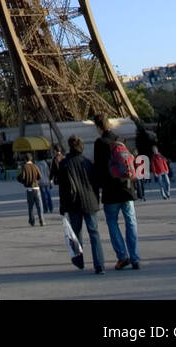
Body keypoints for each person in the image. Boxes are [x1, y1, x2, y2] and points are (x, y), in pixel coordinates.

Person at [93, 117, 140, 271]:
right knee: (131, 222)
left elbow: (99, 169)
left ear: (98, 127)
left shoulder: (100, 143)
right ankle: (135, 258)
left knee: (113, 223)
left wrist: (97, 188)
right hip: (127, 188)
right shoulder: (121, 140)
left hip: (110, 190)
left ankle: (122, 256)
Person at [57, 136, 105, 274]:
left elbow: (63, 189)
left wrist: (63, 206)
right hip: (90, 201)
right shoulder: (88, 162)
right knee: (94, 233)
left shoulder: (65, 164)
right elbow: (96, 183)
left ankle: (79, 262)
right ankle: (99, 264)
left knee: (76, 233)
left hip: (74, 203)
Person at [17, 156, 45, 227]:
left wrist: (23, 182)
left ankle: (32, 221)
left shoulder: (25, 167)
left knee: (31, 206)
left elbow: (22, 177)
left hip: (29, 189)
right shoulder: (35, 166)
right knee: (39, 205)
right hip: (36, 188)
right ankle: (41, 220)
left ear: (25, 159)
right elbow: (39, 176)